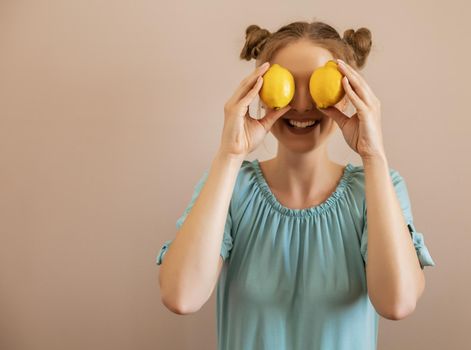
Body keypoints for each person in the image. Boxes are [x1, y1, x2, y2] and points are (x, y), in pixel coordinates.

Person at [156, 21, 435, 350]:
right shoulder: (231, 187)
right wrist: (229, 156)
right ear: (257, 90)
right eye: (288, 84)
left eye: (317, 86)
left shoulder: (378, 189)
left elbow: (397, 304)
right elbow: (181, 297)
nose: (302, 105)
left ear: (348, 96)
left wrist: (373, 155)